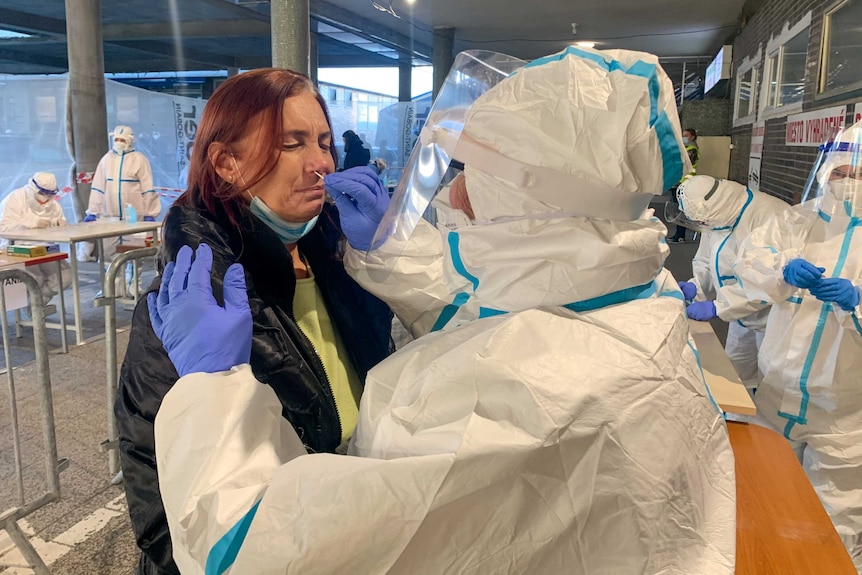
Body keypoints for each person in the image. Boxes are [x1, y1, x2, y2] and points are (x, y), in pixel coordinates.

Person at [148, 48, 735, 574]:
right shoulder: (631, 292)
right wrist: (389, 255)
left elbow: (254, 548)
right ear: (225, 163)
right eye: (292, 142)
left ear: (532, 205)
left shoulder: (524, 388)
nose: (452, 193)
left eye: (476, 173)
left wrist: (212, 393)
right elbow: (500, 308)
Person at [114, 68, 394, 575]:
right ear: (226, 164)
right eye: (293, 144)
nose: (322, 164)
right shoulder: (190, 307)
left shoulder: (337, 259)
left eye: (325, 142)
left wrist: (388, 261)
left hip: (360, 531)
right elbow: (160, 512)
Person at [733, 122, 862, 570]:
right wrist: (782, 268)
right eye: (840, 171)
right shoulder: (795, 221)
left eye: (858, 174)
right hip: (777, 391)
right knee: (766, 496)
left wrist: (858, 301)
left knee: (836, 516)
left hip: (844, 412)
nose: (847, 182)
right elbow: (749, 261)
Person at [674, 175, 791, 389]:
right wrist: (696, 286)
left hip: (774, 319)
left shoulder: (771, 218)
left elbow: (768, 282)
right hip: (741, 316)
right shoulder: (717, 213)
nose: (702, 226)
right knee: (736, 380)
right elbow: (708, 259)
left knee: (773, 385)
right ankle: (738, 419)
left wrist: (719, 306)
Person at [83, 125, 160, 258]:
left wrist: (150, 212)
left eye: (122, 140)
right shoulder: (106, 160)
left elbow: (147, 188)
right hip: (109, 218)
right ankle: (112, 278)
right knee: (108, 252)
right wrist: (93, 211)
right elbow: (98, 188)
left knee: (134, 253)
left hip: (134, 219)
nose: (119, 143)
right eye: (117, 139)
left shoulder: (139, 159)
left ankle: (134, 278)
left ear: (130, 141)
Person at [0, 172, 72, 303]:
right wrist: (31, 224)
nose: (46, 198)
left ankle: (36, 304)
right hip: (18, 249)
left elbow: (60, 221)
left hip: (45, 249)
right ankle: (32, 310)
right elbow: (3, 228)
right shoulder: (14, 199)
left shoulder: (53, 204)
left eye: (50, 194)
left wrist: (60, 225)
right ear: (33, 188)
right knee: (34, 279)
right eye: (44, 193)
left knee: (64, 276)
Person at [669, 127, 701, 242]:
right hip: (677, 183)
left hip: (684, 184)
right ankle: (679, 234)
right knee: (678, 209)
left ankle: (680, 235)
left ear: (692, 137)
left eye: (686, 136)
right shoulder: (685, 148)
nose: (684, 138)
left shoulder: (692, 149)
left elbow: (683, 164)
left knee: (681, 210)